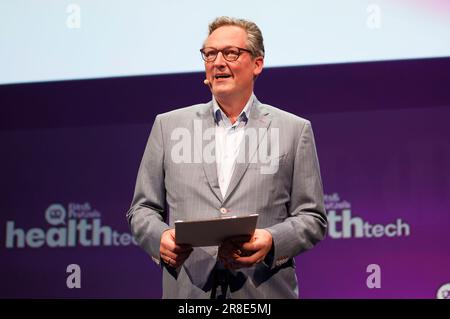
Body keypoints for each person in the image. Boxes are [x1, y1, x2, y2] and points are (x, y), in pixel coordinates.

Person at [126, 16, 327, 299]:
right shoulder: (168, 126)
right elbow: (142, 209)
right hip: (189, 294)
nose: (218, 62)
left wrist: (271, 241)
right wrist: (160, 237)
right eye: (210, 54)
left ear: (257, 64)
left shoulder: (294, 130)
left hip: (262, 293)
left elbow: (312, 217)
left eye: (231, 53)